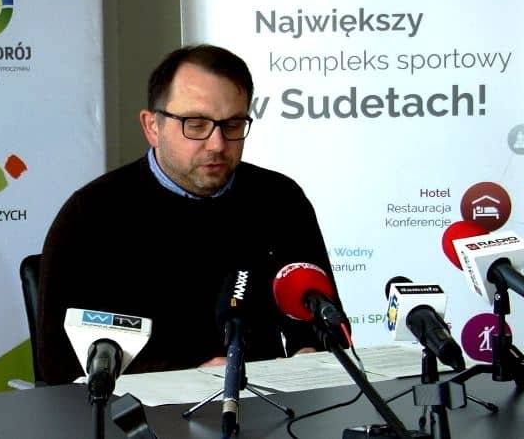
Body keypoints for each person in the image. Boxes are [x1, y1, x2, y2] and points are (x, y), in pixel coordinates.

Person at [36, 44, 338, 385]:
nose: (217, 144)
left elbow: (324, 322)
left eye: (233, 124)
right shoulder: (91, 214)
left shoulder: (279, 199)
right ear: (152, 126)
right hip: (139, 409)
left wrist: (311, 354)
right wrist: (188, 377)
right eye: (196, 125)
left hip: (266, 404)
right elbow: (59, 363)